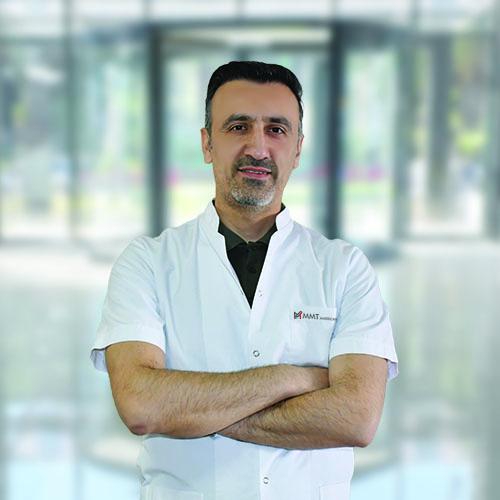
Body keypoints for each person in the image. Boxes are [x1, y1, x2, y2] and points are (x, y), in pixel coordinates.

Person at [91, 60, 398, 500]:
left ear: (297, 149)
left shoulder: (345, 268)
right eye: (238, 127)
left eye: (276, 129)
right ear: (207, 143)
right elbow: (141, 406)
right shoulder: (147, 263)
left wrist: (190, 411)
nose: (258, 147)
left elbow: (357, 418)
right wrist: (295, 379)